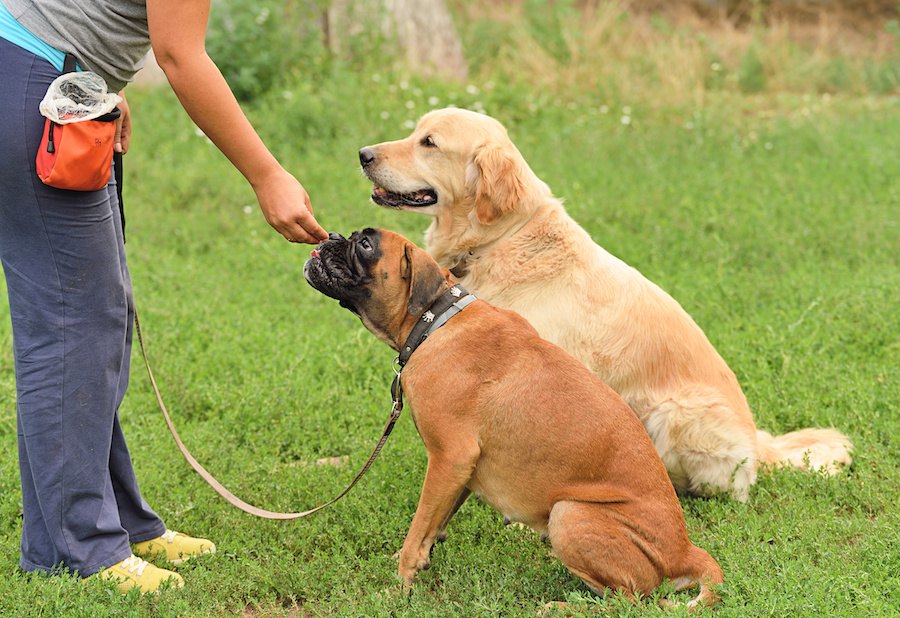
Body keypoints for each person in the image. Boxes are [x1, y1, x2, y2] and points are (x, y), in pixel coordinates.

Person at [0, 0, 328, 594]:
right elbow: (180, 54)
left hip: (52, 78)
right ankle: (79, 552)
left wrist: (90, 75)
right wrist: (267, 174)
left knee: (96, 320)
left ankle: (117, 521)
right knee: (73, 324)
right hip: (33, 80)